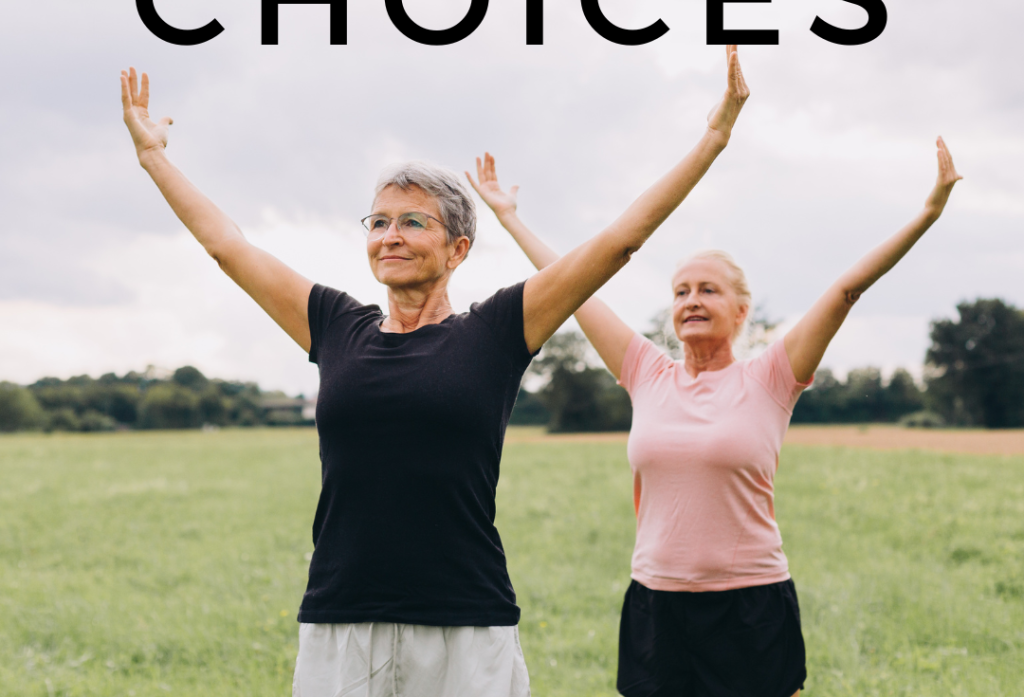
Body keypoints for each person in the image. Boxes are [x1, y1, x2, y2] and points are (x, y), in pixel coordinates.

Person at [118, 45, 750, 697]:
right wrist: (153, 157)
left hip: (465, 623)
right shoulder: (335, 324)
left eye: (413, 221)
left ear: (458, 249)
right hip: (343, 617)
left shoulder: (497, 330)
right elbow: (228, 247)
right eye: (380, 222)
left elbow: (618, 242)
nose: (390, 235)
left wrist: (713, 137)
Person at [467, 134, 962, 697]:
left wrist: (927, 213)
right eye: (681, 292)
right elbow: (575, 290)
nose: (692, 301)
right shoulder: (646, 372)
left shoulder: (772, 376)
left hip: (750, 603)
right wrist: (510, 219)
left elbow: (846, 290)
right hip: (656, 601)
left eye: (708, 290)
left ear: (741, 309)